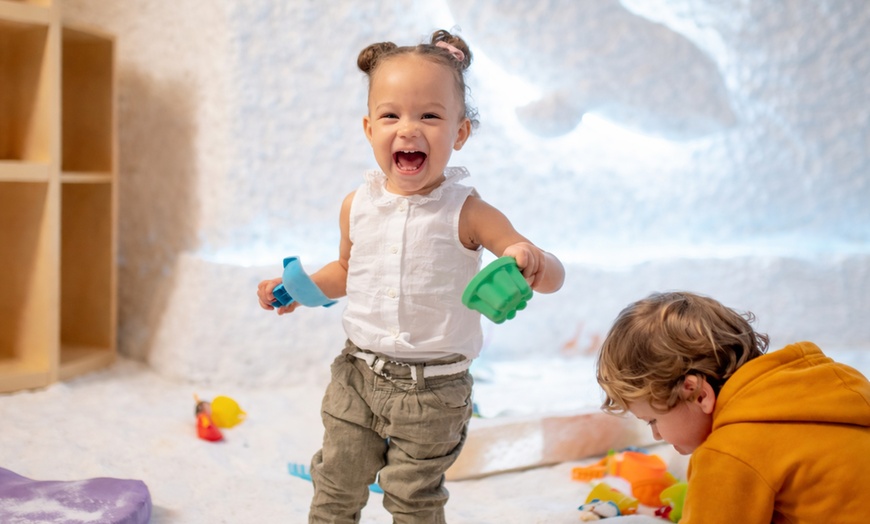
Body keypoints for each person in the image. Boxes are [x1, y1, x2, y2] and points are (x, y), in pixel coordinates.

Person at [257, 29, 565, 523]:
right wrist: (297, 288)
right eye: (390, 115)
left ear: (460, 132)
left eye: (430, 115)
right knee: (336, 480)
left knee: (412, 496)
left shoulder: (469, 212)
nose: (408, 129)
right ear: (368, 127)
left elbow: (550, 277)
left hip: (434, 392)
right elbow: (346, 272)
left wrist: (531, 260)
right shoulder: (356, 205)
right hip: (358, 375)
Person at [595, 291, 870, 523]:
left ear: (697, 394)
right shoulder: (826, 386)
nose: (656, 435)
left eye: (652, 420)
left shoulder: (729, 453)